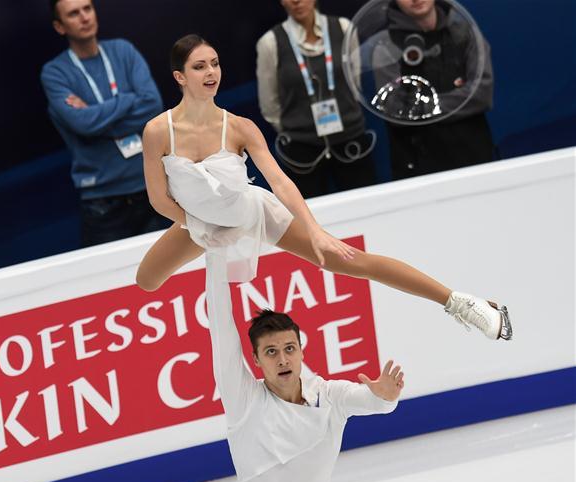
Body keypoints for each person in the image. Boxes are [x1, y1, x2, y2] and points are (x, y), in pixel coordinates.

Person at [136, 35, 512, 341]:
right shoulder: (158, 130)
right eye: (199, 66)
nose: (210, 72)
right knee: (147, 281)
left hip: (251, 212)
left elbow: (280, 181)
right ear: (180, 76)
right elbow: (158, 198)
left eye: (215, 63)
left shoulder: (239, 127)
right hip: (197, 221)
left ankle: (460, 303)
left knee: (350, 261)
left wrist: (314, 231)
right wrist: (200, 226)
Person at [205, 251, 402, 482]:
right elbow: (221, 326)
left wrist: (386, 396)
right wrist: (215, 254)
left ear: (300, 350)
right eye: (270, 352)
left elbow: (376, 403)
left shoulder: (330, 395)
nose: (282, 359)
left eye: (289, 348)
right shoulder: (244, 401)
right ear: (255, 359)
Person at [41, 0, 167, 247]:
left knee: (167, 279)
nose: (85, 17)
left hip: (151, 188)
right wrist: (129, 99)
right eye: (74, 14)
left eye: (88, 8)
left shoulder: (123, 51)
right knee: (116, 282)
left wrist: (95, 114)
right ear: (60, 26)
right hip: (103, 202)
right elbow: (82, 124)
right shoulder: (55, 72)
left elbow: (152, 106)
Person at [256, 0, 378, 198]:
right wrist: (299, 127)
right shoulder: (270, 43)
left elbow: (355, 82)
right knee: (310, 218)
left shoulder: (344, 28)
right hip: (301, 151)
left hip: (351, 140)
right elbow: (269, 104)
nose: (296, 1)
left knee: (367, 205)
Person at [377, 0, 495, 179]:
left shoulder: (463, 32)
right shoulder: (385, 46)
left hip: (475, 160)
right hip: (417, 169)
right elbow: (396, 112)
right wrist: (458, 98)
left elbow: (482, 94)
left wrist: (422, 107)